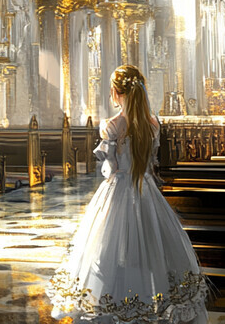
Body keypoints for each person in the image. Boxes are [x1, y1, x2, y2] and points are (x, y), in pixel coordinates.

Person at [47, 65, 209, 323]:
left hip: (118, 192)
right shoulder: (153, 124)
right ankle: (150, 301)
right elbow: (150, 163)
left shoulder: (111, 126)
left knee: (109, 252)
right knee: (151, 249)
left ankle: (116, 305)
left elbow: (110, 169)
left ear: (115, 92)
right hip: (147, 193)